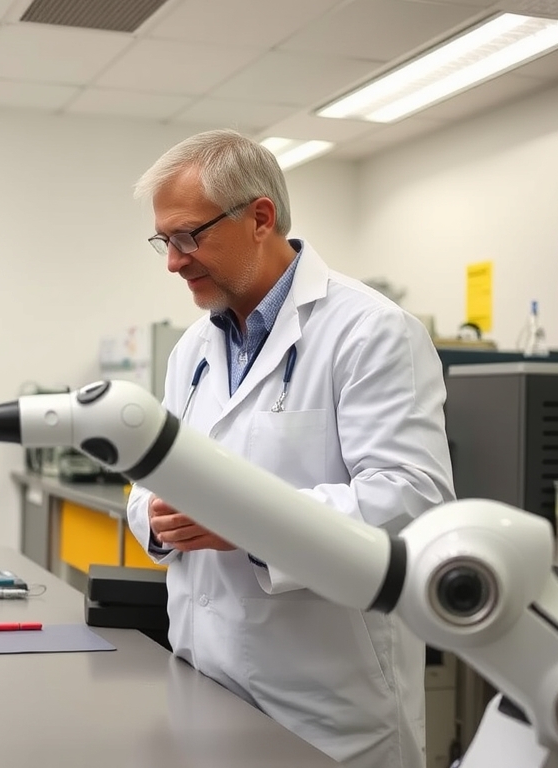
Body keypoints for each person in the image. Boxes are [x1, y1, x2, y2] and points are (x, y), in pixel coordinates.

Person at [125, 129, 455, 768]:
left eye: (188, 236)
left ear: (260, 218)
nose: (173, 260)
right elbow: (148, 479)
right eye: (164, 240)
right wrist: (157, 519)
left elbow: (411, 503)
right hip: (204, 682)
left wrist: (244, 522)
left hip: (326, 707)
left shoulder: (371, 332)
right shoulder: (193, 350)